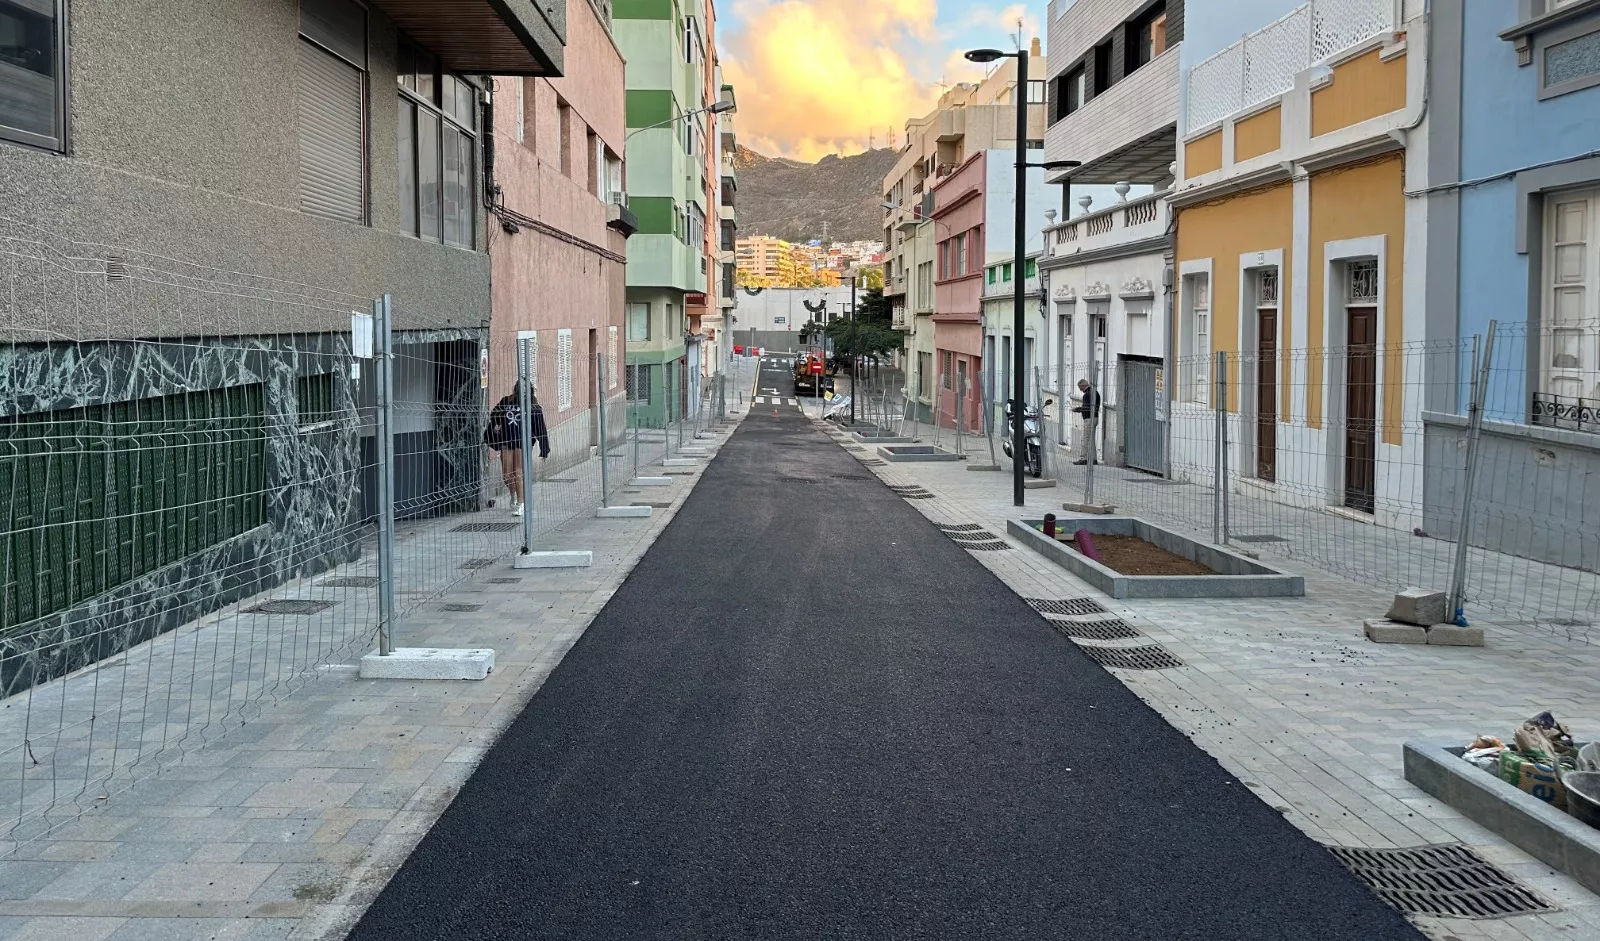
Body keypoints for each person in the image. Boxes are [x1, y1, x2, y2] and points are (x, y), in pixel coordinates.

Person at [485, 384, 530, 516]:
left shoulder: (529, 404)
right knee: (506, 474)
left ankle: (520, 504)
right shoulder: (506, 401)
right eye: (520, 389)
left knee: (518, 472)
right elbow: (494, 414)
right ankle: (513, 494)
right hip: (506, 441)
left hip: (521, 442)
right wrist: (496, 426)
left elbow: (536, 421)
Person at [1071, 378, 1101, 466]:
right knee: (1091, 439)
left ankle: (1083, 458)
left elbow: (1087, 408)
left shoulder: (1087, 395)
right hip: (1095, 417)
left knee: (1085, 439)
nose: (1081, 390)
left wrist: (1077, 409)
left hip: (1089, 418)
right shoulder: (1095, 392)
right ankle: (1094, 459)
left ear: (1083, 386)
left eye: (1080, 388)